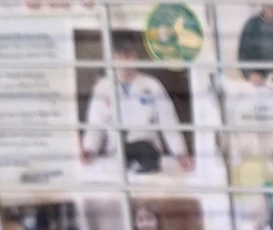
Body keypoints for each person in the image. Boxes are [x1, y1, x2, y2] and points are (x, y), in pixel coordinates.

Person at [81, 40, 193, 174]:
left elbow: (168, 122)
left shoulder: (152, 85)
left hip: (149, 154)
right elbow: (95, 125)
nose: (124, 60)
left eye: (128, 55)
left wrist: (181, 153)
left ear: (135, 56)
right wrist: (88, 150)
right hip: (116, 156)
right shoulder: (103, 88)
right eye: (120, 56)